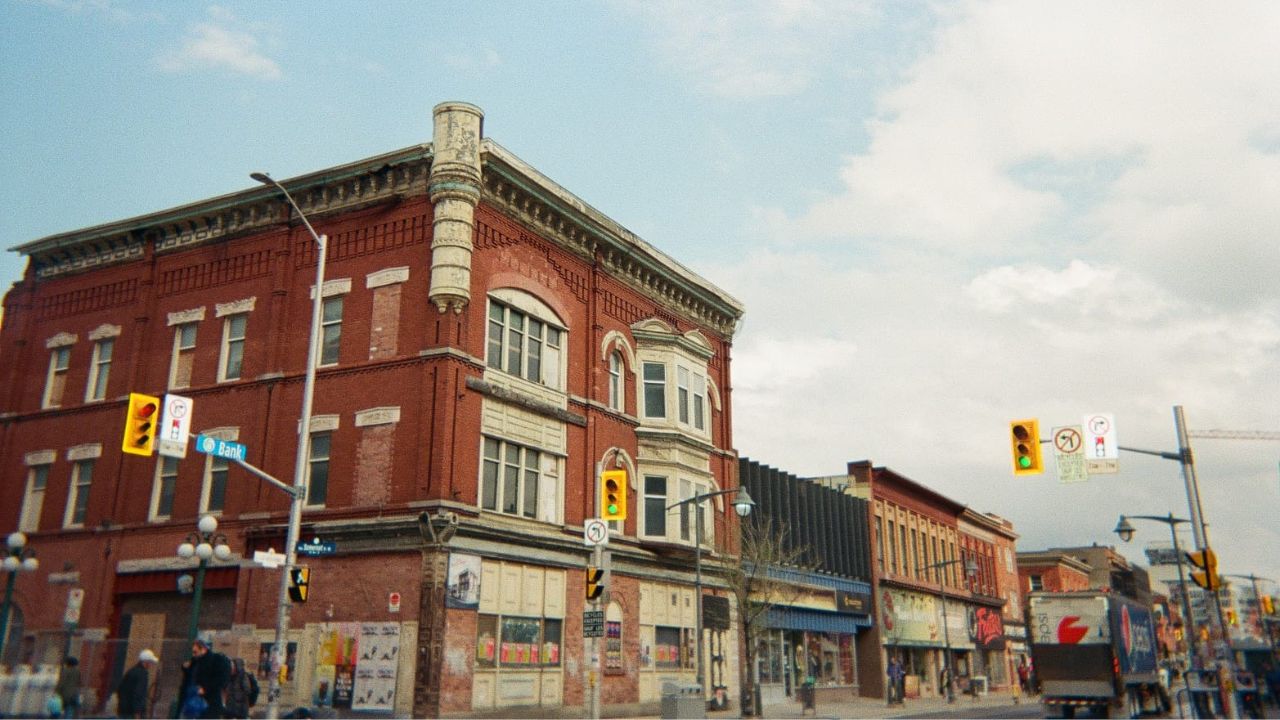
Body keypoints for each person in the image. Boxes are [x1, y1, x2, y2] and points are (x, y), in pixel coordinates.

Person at [180, 636, 230, 719]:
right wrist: (185, 669)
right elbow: (190, 678)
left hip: (208, 704)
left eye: (195, 652)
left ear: (203, 649)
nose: (193, 654)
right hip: (191, 702)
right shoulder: (195, 662)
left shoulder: (216, 660)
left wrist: (205, 689)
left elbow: (221, 679)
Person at [116, 649, 158, 719]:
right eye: (150, 662)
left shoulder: (132, 671)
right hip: (132, 713)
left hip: (123, 710)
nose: (151, 664)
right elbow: (139, 694)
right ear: (146, 662)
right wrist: (137, 713)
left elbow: (120, 690)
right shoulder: (142, 674)